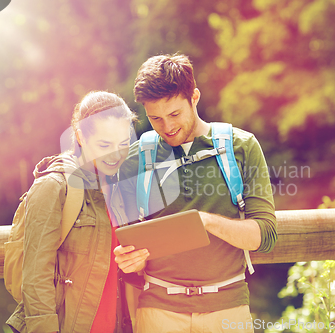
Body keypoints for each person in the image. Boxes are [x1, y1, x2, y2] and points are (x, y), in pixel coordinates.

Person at [115, 54, 278, 332]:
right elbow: (127, 249)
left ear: (195, 97)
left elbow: (264, 236)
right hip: (157, 312)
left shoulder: (242, 147)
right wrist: (129, 260)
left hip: (228, 309)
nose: (167, 127)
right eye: (155, 118)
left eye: (175, 114)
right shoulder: (134, 161)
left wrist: (204, 221)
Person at [6, 91, 136, 333]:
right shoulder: (53, 187)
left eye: (124, 144)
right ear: (80, 137)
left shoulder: (119, 185)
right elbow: (35, 278)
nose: (117, 154)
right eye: (105, 145)